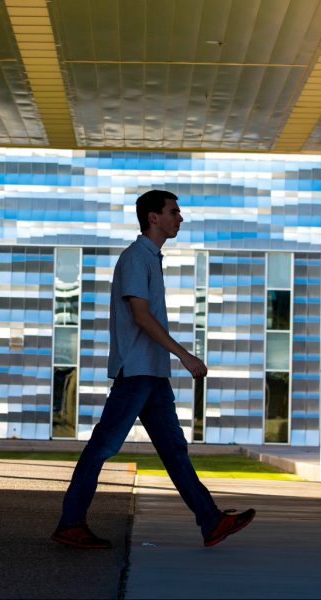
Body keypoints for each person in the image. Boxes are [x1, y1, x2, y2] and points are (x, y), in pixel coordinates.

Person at [51, 190, 255, 549]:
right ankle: (70, 523)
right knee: (102, 447)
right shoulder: (135, 258)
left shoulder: (150, 258)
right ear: (153, 217)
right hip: (137, 372)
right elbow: (141, 316)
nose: (180, 218)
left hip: (153, 374)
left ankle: (211, 521)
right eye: (174, 212)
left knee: (174, 450)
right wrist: (184, 356)